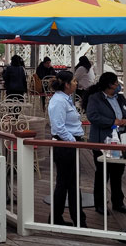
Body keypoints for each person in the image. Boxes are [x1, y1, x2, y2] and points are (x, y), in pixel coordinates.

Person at [86, 72, 126, 215]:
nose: (118, 85)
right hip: (102, 140)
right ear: (110, 84)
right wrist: (111, 122)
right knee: (102, 172)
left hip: (120, 139)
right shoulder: (95, 98)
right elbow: (93, 116)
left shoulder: (120, 97)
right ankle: (99, 204)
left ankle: (118, 202)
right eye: (115, 83)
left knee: (118, 172)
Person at [47, 70, 86, 227]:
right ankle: (71, 219)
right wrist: (72, 141)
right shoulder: (59, 101)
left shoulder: (65, 99)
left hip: (69, 143)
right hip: (66, 145)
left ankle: (66, 218)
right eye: (74, 81)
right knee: (65, 183)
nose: (76, 83)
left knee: (69, 183)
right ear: (67, 84)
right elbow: (58, 127)